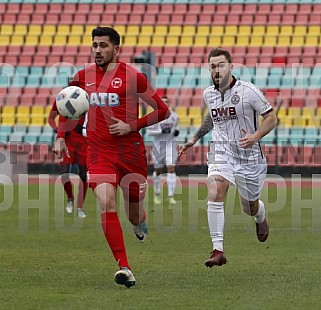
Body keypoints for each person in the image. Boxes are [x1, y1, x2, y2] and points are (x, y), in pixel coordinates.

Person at [52, 26, 169, 288]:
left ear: (116, 49)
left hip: (131, 153)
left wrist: (132, 126)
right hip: (98, 153)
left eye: (103, 45)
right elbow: (66, 107)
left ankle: (140, 223)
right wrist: (61, 136)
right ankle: (124, 267)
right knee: (106, 203)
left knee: (134, 214)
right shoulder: (82, 77)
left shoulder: (133, 77)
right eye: (94, 45)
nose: (97, 50)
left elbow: (162, 111)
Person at [179, 48, 277, 267]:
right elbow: (212, 118)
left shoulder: (248, 91)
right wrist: (194, 138)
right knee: (215, 191)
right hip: (221, 151)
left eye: (221, 65)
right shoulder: (208, 94)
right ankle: (218, 250)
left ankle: (259, 213)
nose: (216, 70)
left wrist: (256, 135)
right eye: (212, 66)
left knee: (248, 207)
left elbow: (271, 118)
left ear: (231, 67)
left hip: (249, 157)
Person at [48, 101, 88, 218]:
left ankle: (80, 206)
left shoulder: (87, 99)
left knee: (84, 176)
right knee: (64, 173)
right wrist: (56, 128)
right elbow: (51, 118)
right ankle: (70, 198)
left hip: (84, 143)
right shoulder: (61, 99)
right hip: (68, 142)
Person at [146, 96, 179, 205]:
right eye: (163, 102)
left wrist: (176, 132)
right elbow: (149, 132)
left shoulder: (174, 116)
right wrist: (161, 130)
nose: (165, 103)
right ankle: (157, 193)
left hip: (170, 145)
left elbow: (176, 128)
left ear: (169, 103)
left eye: (166, 102)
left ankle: (171, 196)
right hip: (158, 146)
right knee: (158, 171)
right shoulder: (155, 116)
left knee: (171, 168)